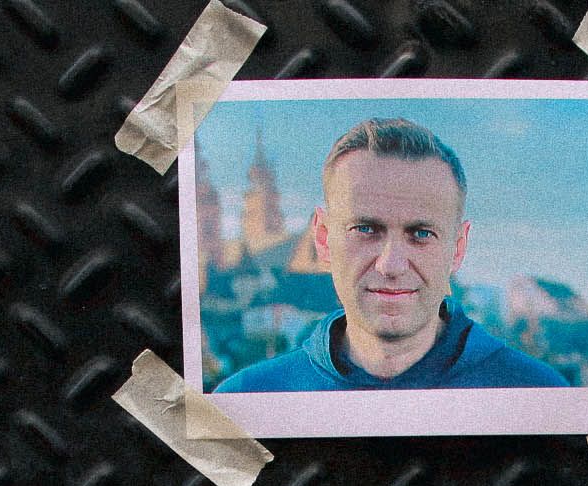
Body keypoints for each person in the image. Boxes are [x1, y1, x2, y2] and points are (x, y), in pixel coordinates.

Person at [214, 119, 569, 392]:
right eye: (365, 229)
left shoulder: (540, 395)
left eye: (421, 234)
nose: (391, 265)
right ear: (323, 238)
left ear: (458, 248)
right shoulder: (244, 399)